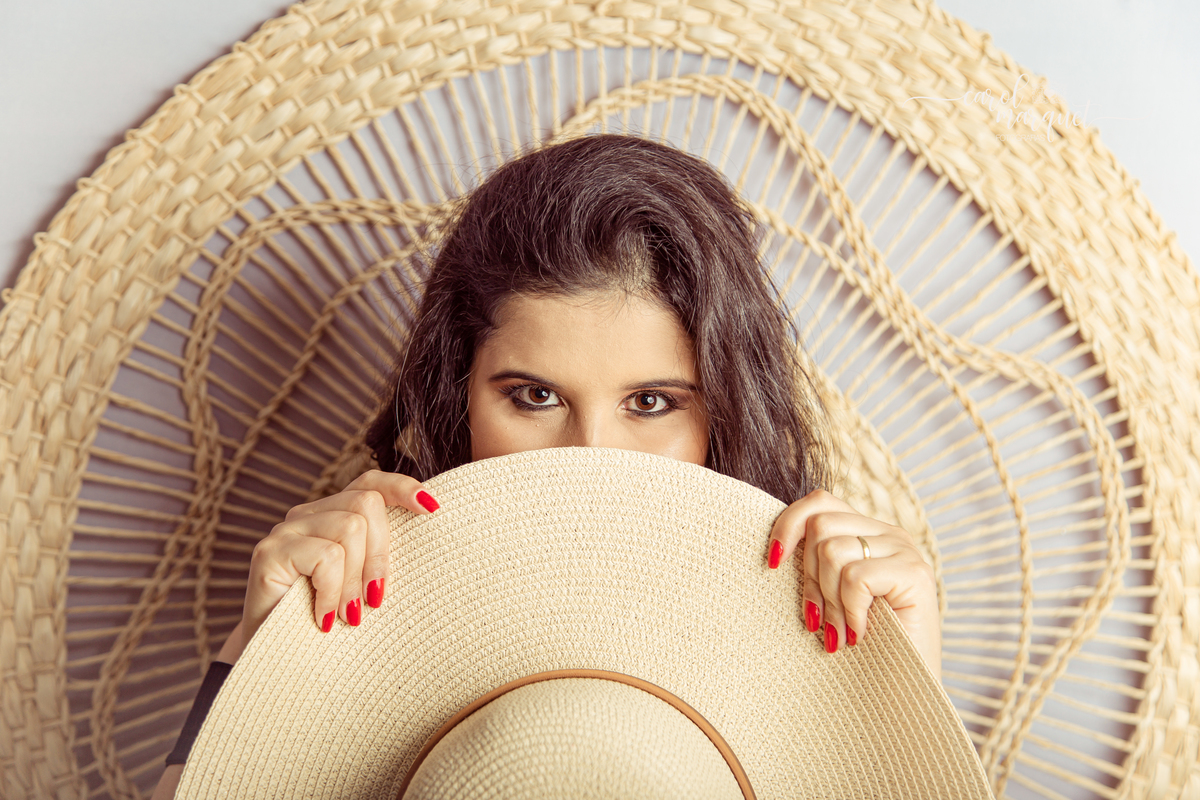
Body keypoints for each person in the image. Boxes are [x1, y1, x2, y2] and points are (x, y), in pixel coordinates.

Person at [152, 133, 939, 799]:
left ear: (727, 402)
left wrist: (907, 672)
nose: (589, 456)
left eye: (653, 403)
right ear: (457, 388)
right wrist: (255, 652)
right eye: (533, 395)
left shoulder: (817, 603)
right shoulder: (362, 586)